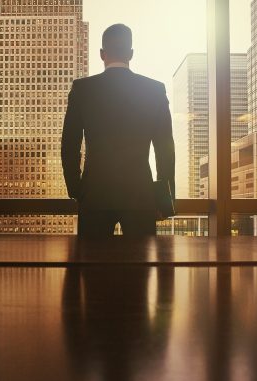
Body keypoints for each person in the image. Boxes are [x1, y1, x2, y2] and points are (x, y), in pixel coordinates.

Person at [61, 23, 175, 237]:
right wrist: (163, 200)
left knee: (91, 265)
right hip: (140, 195)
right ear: (131, 54)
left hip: (94, 193)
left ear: (102, 54)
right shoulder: (154, 90)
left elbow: (69, 144)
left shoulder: (82, 89)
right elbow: (165, 149)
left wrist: (76, 188)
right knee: (140, 267)